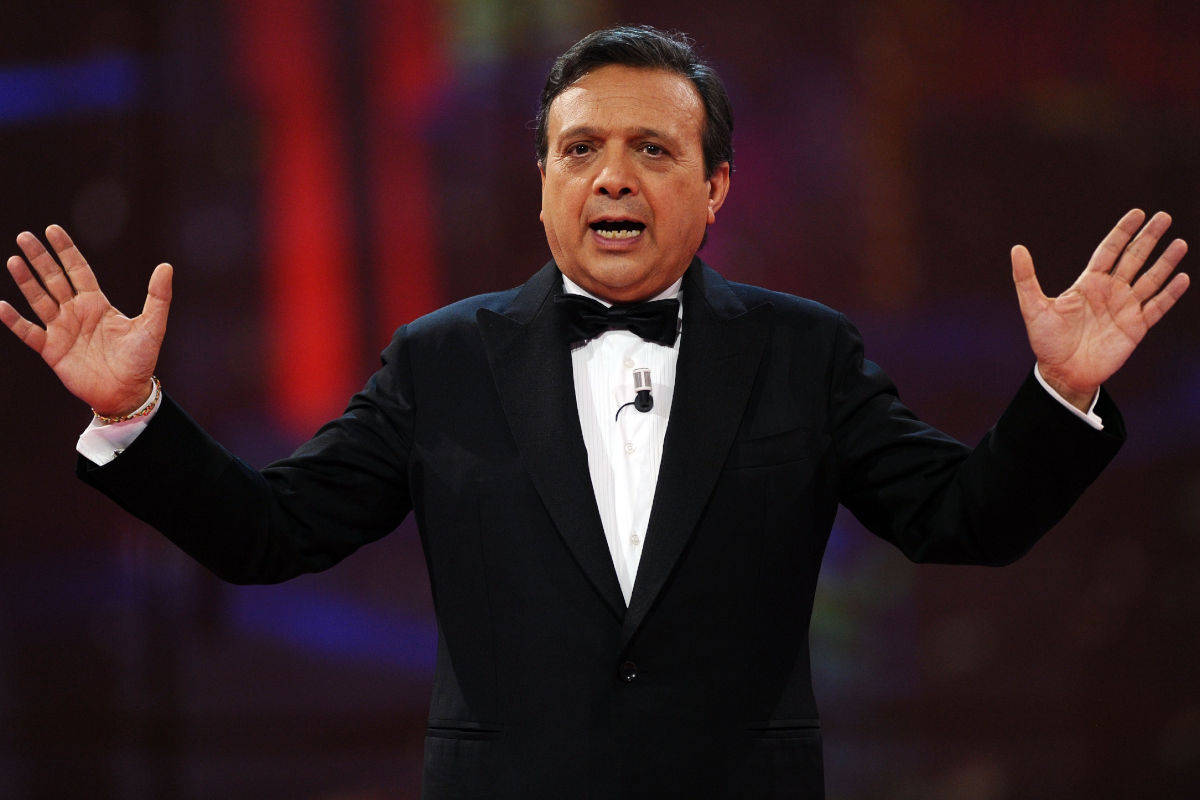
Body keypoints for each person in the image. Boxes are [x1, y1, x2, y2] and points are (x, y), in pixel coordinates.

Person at [1, 25, 1189, 800]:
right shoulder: (443, 359)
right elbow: (274, 531)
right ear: (544, 183)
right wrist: (136, 413)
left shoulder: (802, 352)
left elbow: (962, 516)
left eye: (652, 148)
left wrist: (1063, 392)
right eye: (581, 148)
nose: (612, 174)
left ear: (715, 188)